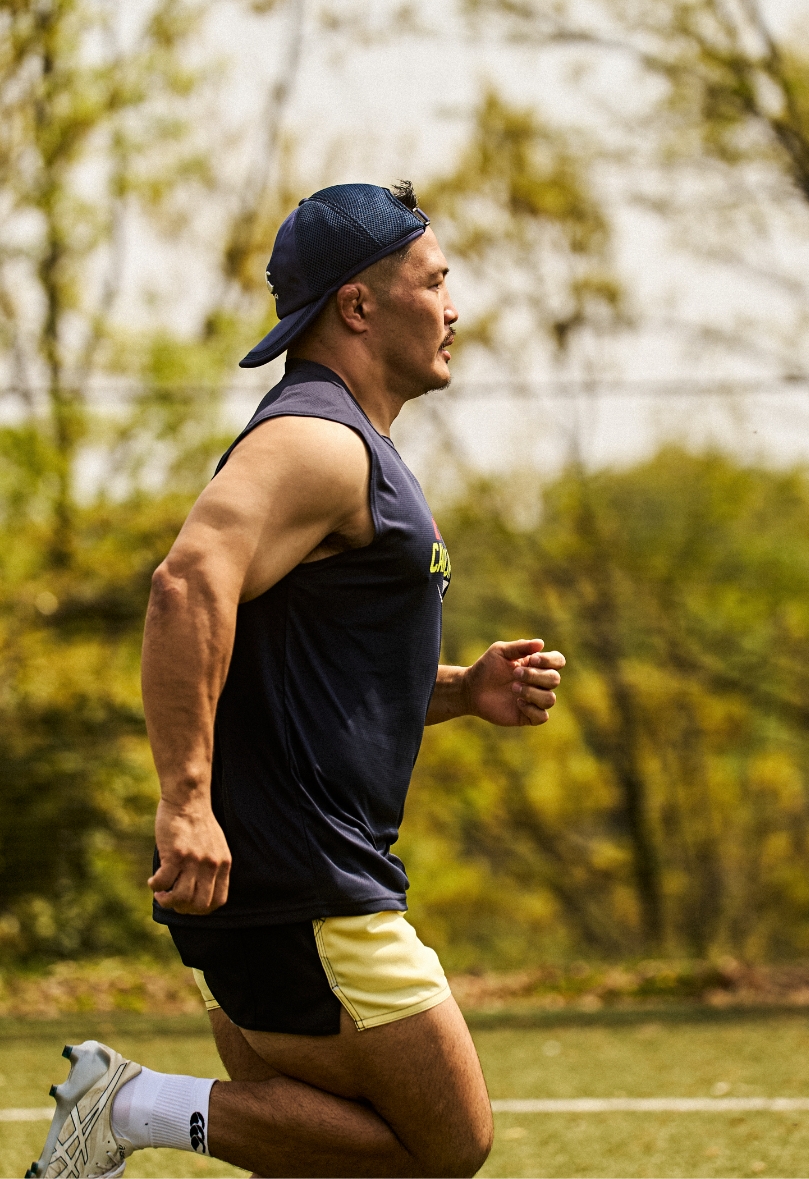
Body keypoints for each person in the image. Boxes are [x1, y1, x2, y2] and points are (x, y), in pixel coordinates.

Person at [26, 181, 565, 1179]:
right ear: (358, 306)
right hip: (303, 875)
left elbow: (303, 665)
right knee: (446, 1145)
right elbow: (187, 586)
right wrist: (184, 803)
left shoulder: (345, 444)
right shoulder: (316, 441)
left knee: (328, 1158)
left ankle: (135, 1107)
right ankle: (127, 1105)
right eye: (433, 281)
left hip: (281, 871)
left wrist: (454, 691)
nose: (453, 307)